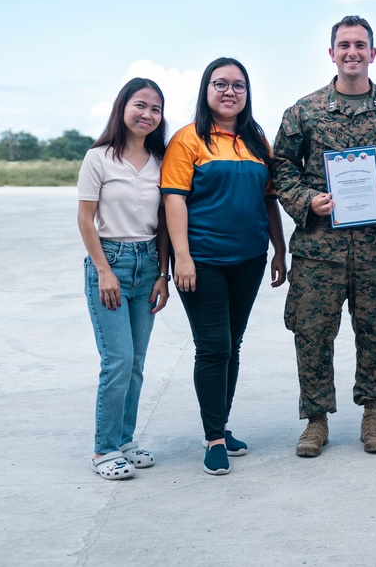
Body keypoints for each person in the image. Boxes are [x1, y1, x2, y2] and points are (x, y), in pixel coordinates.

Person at [273, 16, 376, 457]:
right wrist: (305, 200)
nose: (352, 52)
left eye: (360, 45)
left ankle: (372, 415)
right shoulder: (304, 111)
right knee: (312, 334)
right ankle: (316, 420)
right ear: (331, 52)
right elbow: (280, 168)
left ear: (373, 54)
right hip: (319, 249)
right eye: (343, 44)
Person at [162, 57, 287, 476]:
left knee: (232, 344)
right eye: (221, 84)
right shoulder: (187, 140)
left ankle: (222, 425)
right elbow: (174, 199)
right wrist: (182, 257)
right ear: (206, 89)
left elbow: (268, 199)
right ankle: (213, 438)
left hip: (249, 259)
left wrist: (279, 249)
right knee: (213, 346)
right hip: (202, 261)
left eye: (238, 85)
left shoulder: (256, 140)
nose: (230, 92)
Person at [77, 77, 171, 480]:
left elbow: (166, 221)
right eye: (140, 105)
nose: (147, 114)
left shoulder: (161, 160)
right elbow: (84, 220)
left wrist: (163, 274)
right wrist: (103, 271)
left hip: (149, 262)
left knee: (136, 362)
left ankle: (125, 439)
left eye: (155, 108)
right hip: (109, 260)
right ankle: (104, 449)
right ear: (123, 108)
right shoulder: (98, 158)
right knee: (117, 360)